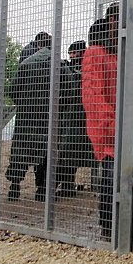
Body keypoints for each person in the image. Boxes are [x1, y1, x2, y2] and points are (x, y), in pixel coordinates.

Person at [82, 6, 133, 244]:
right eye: (115, 19)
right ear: (109, 22)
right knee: (112, 180)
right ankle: (110, 228)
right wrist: (109, 125)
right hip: (112, 133)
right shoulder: (97, 53)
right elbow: (93, 95)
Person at [5, 36, 52, 201]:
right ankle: (42, 190)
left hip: (25, 117)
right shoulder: (57, 64)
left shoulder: (25, 64)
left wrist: (24, 105)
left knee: (20, 151)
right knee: (45, 152)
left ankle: (14, 187)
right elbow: (68, 90)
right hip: (48, 117)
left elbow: (13, 90)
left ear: (37, 44)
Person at [56, 40, 92, 197]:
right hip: (73, 117)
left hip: (80, 117)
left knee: (71, 153)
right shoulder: (70, 69)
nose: (72, 56)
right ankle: (67, 185)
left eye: (74, 53)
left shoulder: (84, 69)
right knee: (69, 153)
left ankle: (66, 185)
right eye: (70, 53)